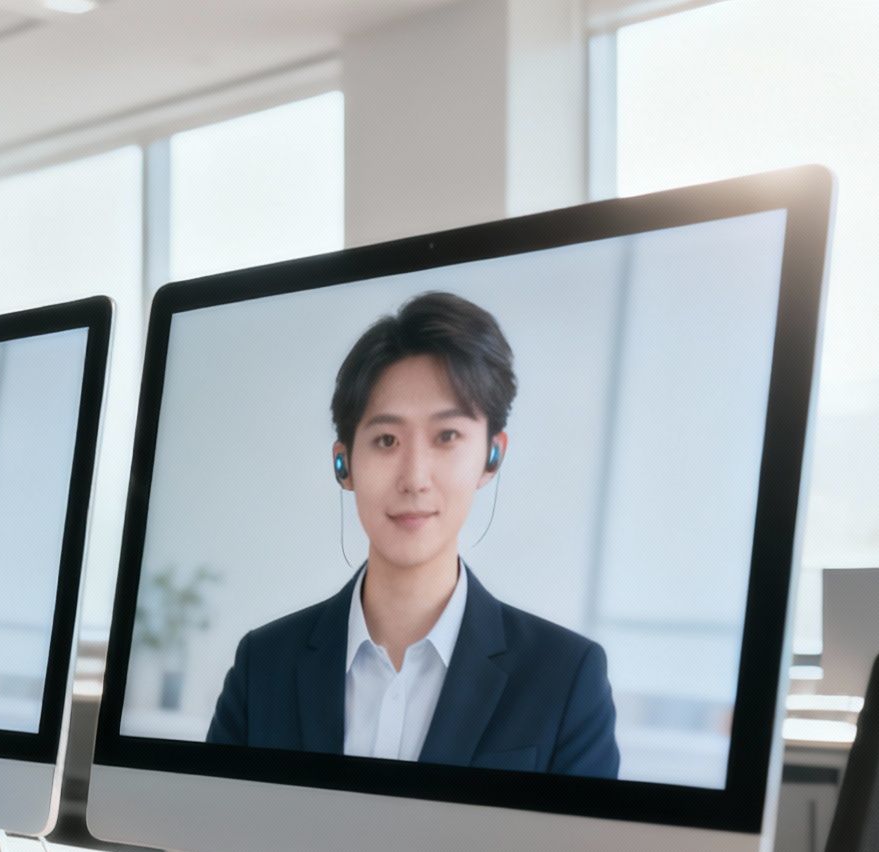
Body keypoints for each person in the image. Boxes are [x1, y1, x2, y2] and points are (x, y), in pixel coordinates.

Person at [205, 291, 619, 778]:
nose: (415, 477)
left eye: (447, 437)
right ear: (344, 463)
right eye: (386, 440)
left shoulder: (566, 678)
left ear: (492, 455)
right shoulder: (264, 666)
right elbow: (215, 848)